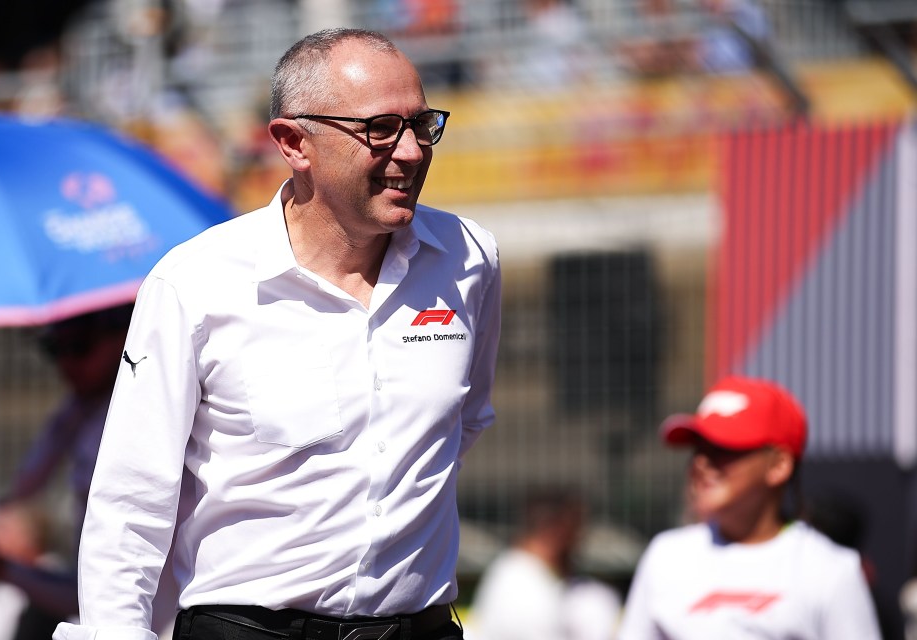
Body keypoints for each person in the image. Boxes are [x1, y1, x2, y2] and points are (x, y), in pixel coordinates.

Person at [53, 26, 502, 640]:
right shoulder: (195, 282)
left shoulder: (470, 259)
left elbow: (462, 422)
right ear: (295, 143)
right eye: (380, 130)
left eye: (422, 125)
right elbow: (131, 503)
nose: (411, 151)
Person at [616, 375, 881, 639]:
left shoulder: (831, 571)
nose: (701, 463)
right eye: (698, 449)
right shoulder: (665, 556)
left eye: (722, 448)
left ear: (778, 465)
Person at [467, 488, 621, 640]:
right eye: (576, 531)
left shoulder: (513, 573)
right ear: (558, 530)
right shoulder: (524, 590)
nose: (580, 541)